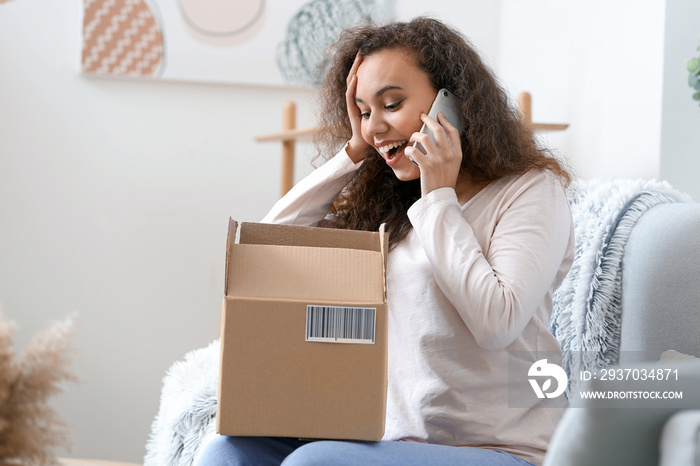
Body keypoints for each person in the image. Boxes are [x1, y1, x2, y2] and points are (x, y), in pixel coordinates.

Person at [197, 16, 575, 466]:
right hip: (394, 441)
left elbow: (496, 322)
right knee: (228, 451)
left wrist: (439, 194)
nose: (375, 127)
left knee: (312, 464)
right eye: (362, 111)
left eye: (391, 103)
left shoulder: (530, 192)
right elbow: (268, 248)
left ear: (451, 103)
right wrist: (352, 152)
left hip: (504, 449)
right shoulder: (389, 208)